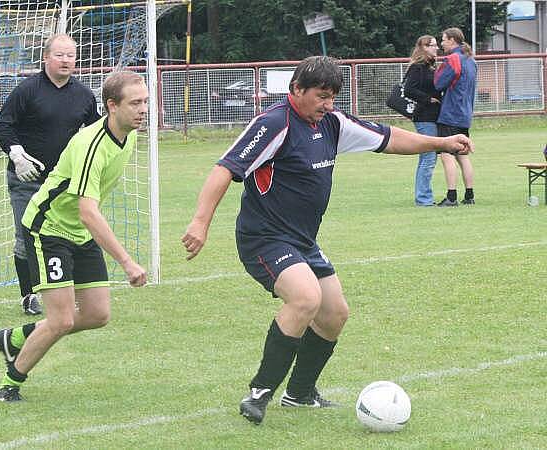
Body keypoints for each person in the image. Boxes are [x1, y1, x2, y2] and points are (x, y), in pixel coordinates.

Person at [182, 56, 473, 425]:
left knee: (335, 314)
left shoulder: (333, 123)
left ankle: (300, 394)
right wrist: (200, 222)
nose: (328, 105)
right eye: (321, 96)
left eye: (333, 97)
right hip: (264, 237)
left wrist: (442, 142)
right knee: (305, 298)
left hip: (302, 240)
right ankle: (259, 391)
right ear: (296, 90)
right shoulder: (274, 123)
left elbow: (389, 138)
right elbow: (226, 168)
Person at [0, 71, 148, 402]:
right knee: (60, 319)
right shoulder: (90, 144)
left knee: (97, 314)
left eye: (145, 102)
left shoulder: (130, 135)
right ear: (111, 106)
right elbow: (88, 211)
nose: (143, 109)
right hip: (48, 228)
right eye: (135, 103)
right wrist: (127, 262)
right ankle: (9, 383)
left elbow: (85, 215)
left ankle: (16, 338)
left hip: (77, 230)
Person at [0, 34, 100, 315]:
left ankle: (73, 293)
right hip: (27, 180)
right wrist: (17, 155)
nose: (66, 60)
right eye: (59, 55)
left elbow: (95, 134)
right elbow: (3, 124)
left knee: (70, 235)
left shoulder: (85, 96)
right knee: (25, 236)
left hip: (65, 183)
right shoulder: (27, 90)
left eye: (70, 55)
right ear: (46, 58)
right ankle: (28, 295)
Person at [434, 27, 477, 206]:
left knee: (446, 154)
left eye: (443, 40)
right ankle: (469, 196)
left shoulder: (452, 59)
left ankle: (451, 197)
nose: (441, 43)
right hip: (465, 115)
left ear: (452, 40)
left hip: (450, 114)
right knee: (462, 156)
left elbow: (438, 83)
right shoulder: (471, 60)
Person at [404, 35, 442, 206]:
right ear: (424, 47)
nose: (437, 48)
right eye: (433, 45)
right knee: (429, 157)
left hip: (432, 116)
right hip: (424, 116)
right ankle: (424, 198)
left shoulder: (429, 67)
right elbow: (409, 90)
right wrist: (428, 99)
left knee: (426, 157)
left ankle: (422, 196)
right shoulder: (418, 67)